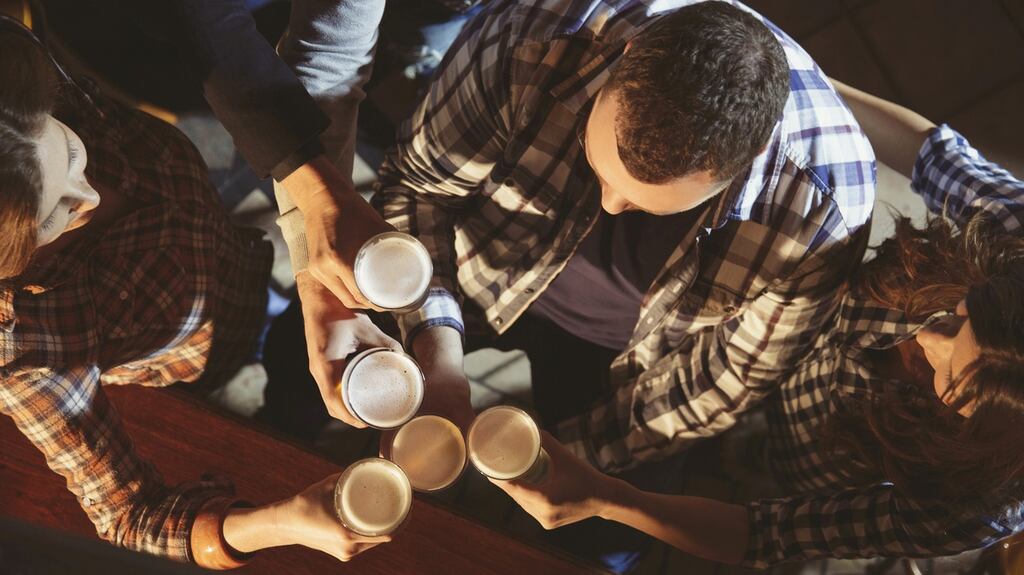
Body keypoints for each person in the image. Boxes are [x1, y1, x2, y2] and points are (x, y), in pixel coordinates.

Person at [488, 81, 1024, 567]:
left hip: (816, 458)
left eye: (952, 381)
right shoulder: (1014, 236)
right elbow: (927, 150)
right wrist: (789, 79)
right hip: (754, 333)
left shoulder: (973, 506)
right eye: (959, 314)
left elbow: (768, 533)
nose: (925, 335)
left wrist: (608, 498)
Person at [0, 22, 388, 568]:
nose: (88, 195)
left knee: (283, 328)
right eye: (54, 218)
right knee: (280, 395)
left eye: (71, 152)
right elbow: (128, 516)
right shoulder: (23, 347)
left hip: (234, 252)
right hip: (204, 354)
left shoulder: (20, 98)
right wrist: (282, 520)